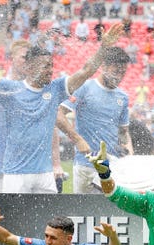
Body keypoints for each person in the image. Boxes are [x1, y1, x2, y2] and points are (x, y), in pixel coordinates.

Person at [0, 23, 123, 193]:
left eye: (51, 65)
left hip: (45, 175)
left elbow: (86, 71)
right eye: (45, 66)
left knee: (48, 220)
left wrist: (103, 47)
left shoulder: (55, 89)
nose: (50, 70)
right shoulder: (10, 87)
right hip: (15, 174)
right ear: (30, 67)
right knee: (13, 219)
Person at [56, 46, 132, 194]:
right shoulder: (85, 87)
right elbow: (58, 113)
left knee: (111, 213)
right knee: (83, 213)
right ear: (103, 67)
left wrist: (129, 151)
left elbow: (123, 131)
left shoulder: (123, 97)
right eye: (116, 71)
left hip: (112, 167)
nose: (119, 76)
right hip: (86, 165)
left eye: (122, 73)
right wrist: (78, 139)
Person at [0, 39, 30, 193]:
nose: (27, 62)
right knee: (3, 212)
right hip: (3, 163)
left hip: (31, 165)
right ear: (12, 58)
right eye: (23, 57)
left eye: (30, 58)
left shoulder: (35, 88)